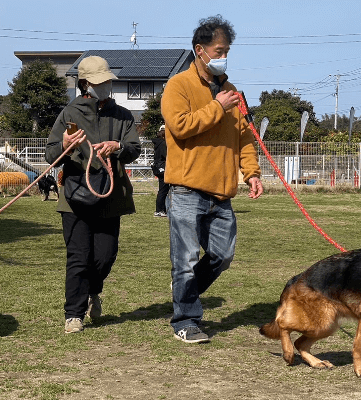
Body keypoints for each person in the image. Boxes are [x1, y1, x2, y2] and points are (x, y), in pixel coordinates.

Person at [160, 15, 264, 343]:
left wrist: (252, 173)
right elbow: (180, 127)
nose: (223, 57)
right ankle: (186, 320)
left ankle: (184, 289)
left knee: (223, 255)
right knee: (187, 258)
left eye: (227, 51)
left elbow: (244, 137)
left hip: (222, 192)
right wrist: (217, 106)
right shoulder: (178, 85)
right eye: (219, 51)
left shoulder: (232, 92)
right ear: (199, 51)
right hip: (187, 189)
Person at [45, 55, 141, 333]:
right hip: (75, 196)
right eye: (100, 82)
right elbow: (51, 156)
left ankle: (92, 291)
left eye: (108, 81)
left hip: (110, 197)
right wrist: (63, 143)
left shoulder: (122, 115)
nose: (106, 86)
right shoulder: (69, 114)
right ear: (85, 84)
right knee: (78, 257)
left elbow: (134, 148)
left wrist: (118, 147)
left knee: (105, 255)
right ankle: (73, 314)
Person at [152, 124, 169, 217]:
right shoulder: (163, 143)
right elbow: (165, 155)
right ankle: (159, 210)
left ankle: (162, 209)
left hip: (158, 167)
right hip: (162, 168)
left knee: (163, 189)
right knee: (163, 190)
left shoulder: (158, 143)